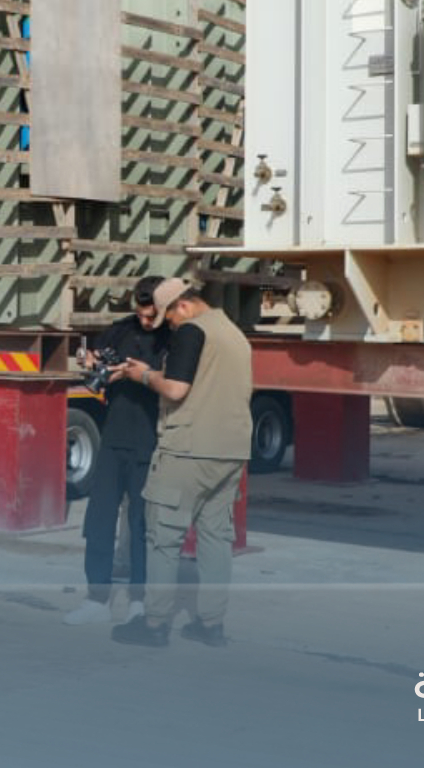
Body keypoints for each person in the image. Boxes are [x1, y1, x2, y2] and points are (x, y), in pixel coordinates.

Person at [110, 278, 252, 649]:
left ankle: (155, 623)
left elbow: (176, 389)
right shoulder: (233, 333)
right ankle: (211, 624)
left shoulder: (191, 331)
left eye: (168, 319)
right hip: (232, 450)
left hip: (188, 449)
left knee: (163, 538)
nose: (169, 327)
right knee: (216, 537)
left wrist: (142, 375)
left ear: (183, 306)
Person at [64, 275, 167, 626]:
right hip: (113, 437)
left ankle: (139, 599)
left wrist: (139, 374)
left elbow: (177, 384)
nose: (146, 321)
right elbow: (93, 360)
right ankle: (96, 598)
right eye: (140, 314)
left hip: (150, 441)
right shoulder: (120, 330)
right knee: (99, 520)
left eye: (151, 315)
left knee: (141, 524)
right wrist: (92, 361)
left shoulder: (174, 337)